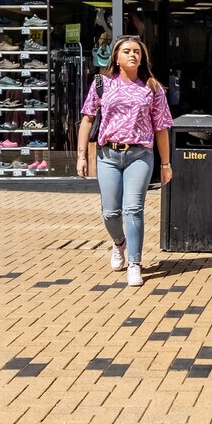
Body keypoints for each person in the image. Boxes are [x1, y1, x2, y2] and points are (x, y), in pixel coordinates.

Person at [76, 35, 174, 287]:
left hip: (139, 155)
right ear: (116, 58)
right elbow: (87, 119)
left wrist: (165, 164)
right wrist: (81, 156)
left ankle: (134, 263)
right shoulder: (101, 84)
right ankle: (119, 243)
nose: (133, 55)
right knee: (110, 212)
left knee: (133, 208)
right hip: (107, 155)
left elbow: (161, 128)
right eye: (127, 51)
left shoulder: (152, 88)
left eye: (137, 52)